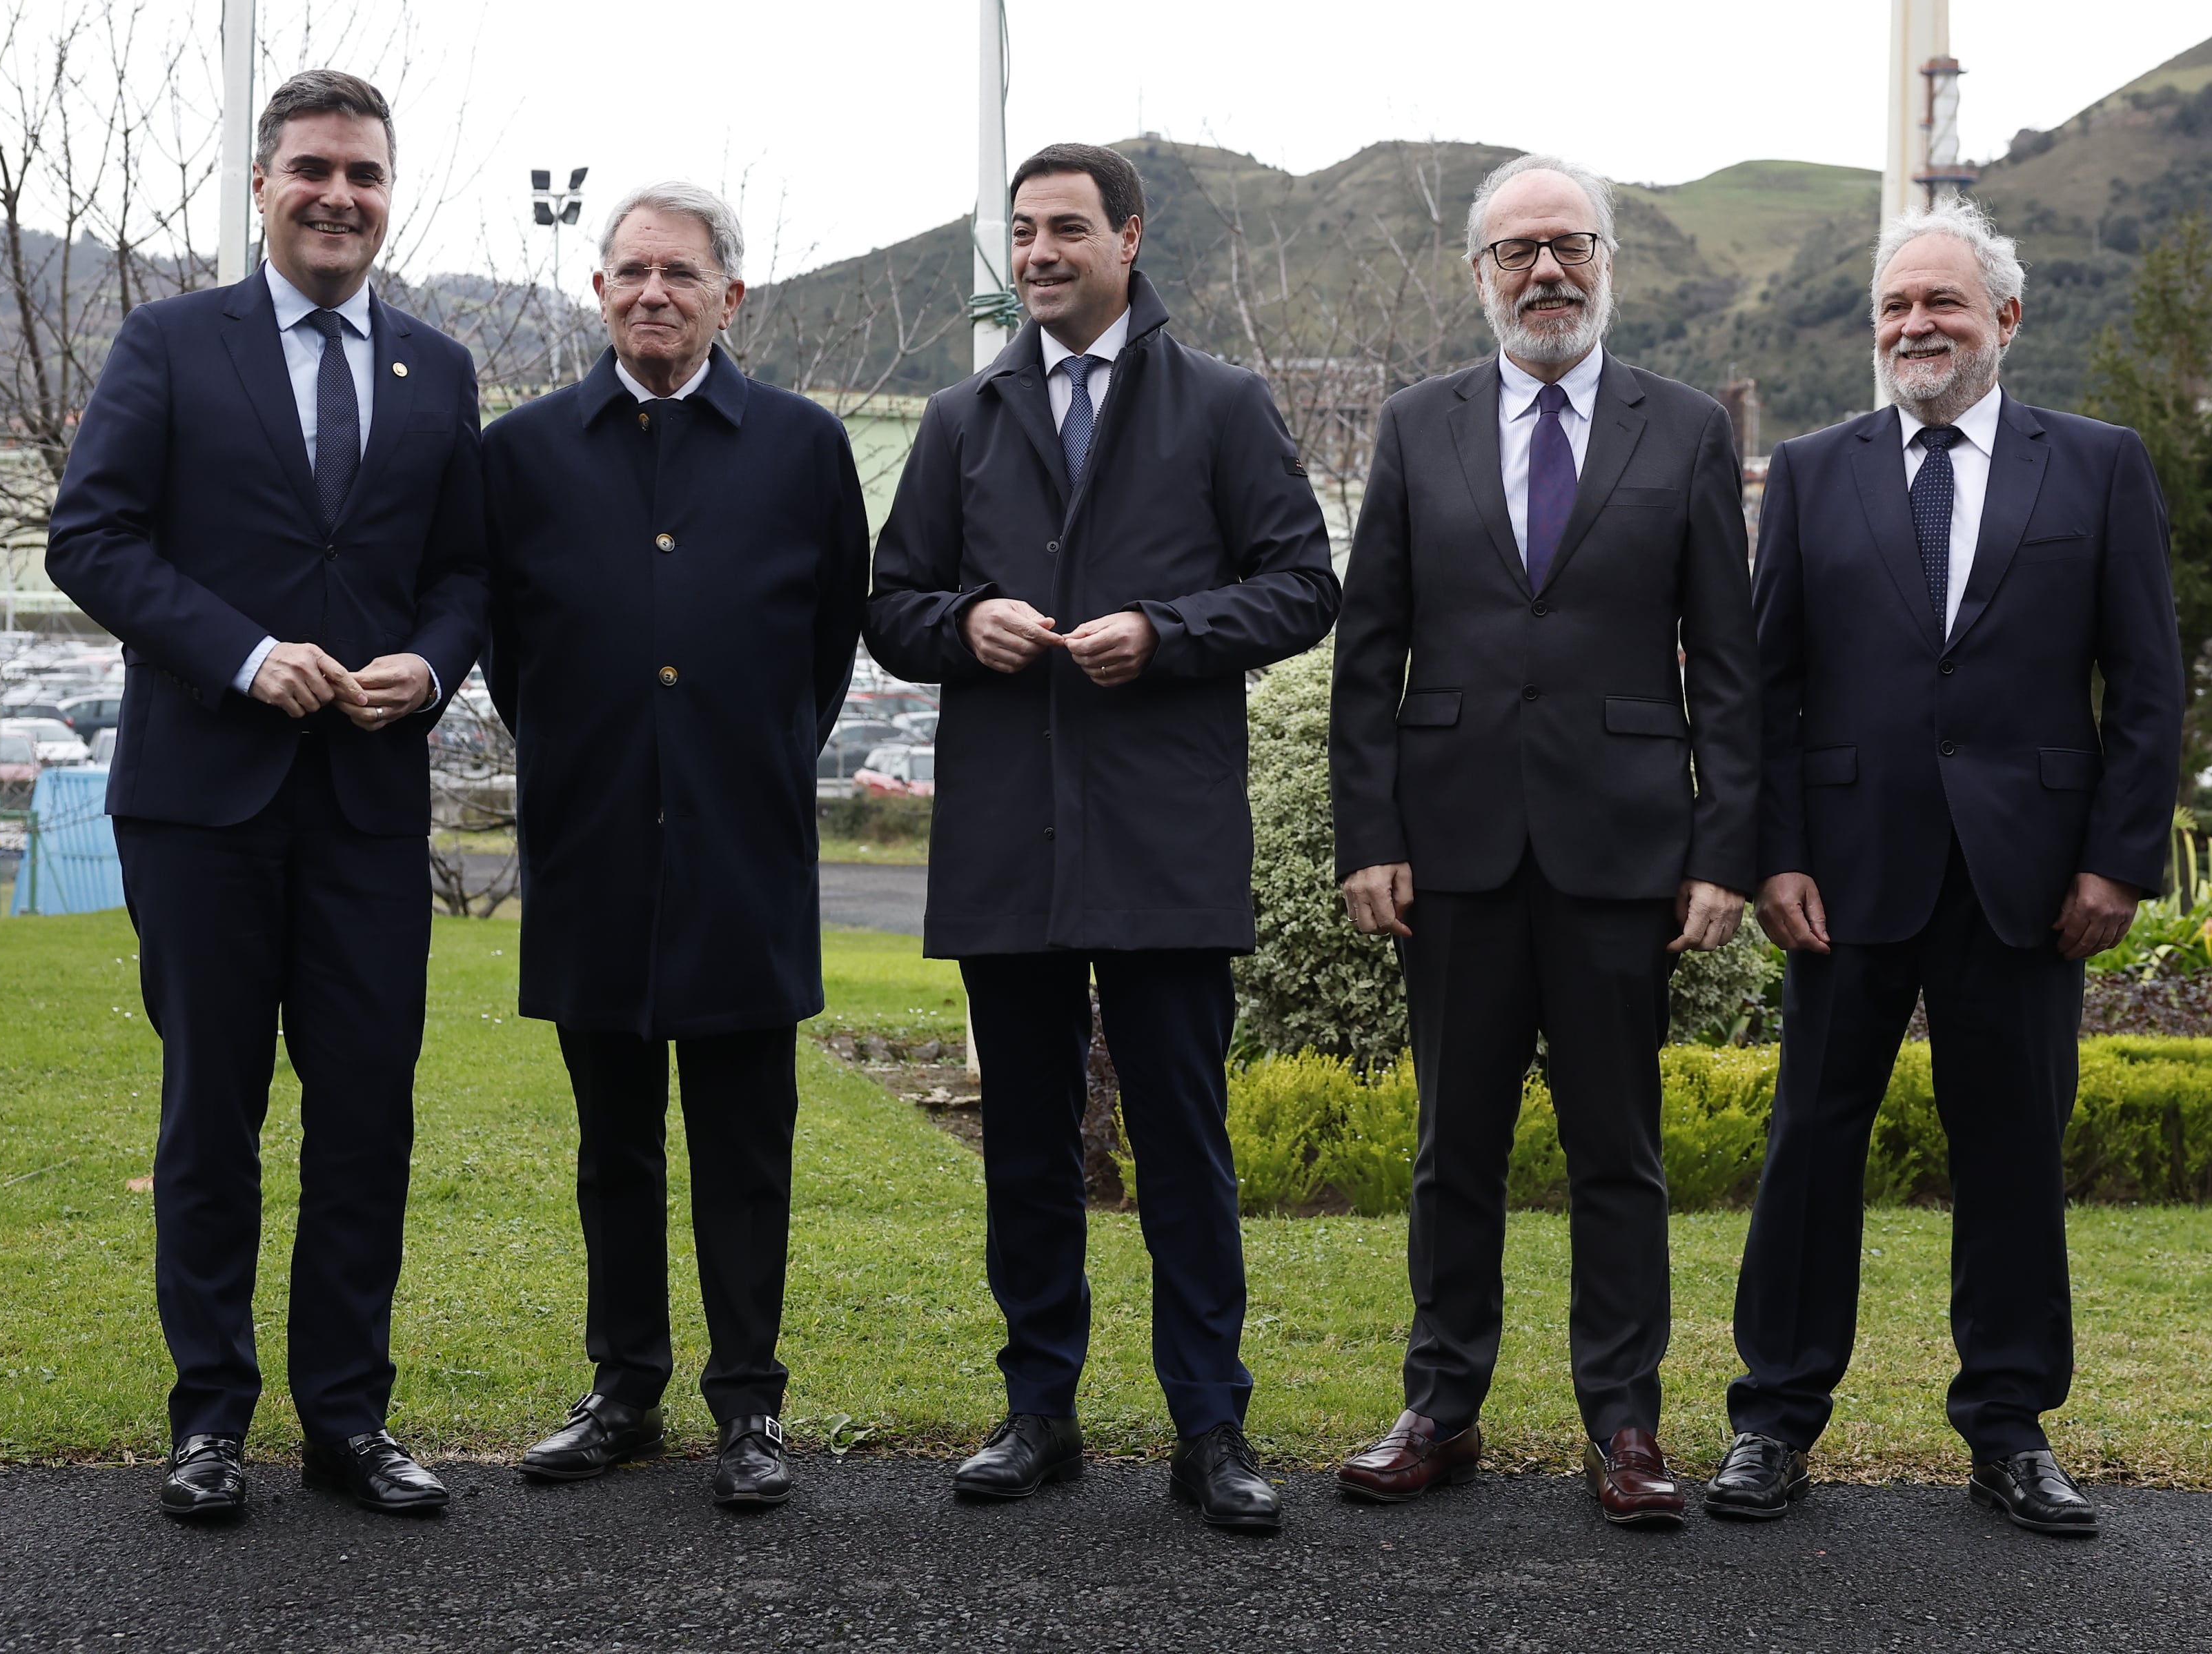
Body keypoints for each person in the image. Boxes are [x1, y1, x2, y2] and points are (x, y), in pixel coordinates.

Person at [865, 142, 1338, 1535]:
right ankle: (1040, 1410)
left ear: (1130, 238)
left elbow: (1304, 583)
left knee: (1183, 1142)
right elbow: (890, 602)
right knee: (1026, 1141)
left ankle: (1212, 1423)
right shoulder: (962, 415)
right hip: (1009, 840)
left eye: (1066, 227)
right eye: (1021, 232)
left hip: (1165, 838)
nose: (1038, 252)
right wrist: (963, 623)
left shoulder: (1223, 405)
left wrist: (1169, 631)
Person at [46, 69, 489, 1521]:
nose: (337, 195)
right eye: (312, 169)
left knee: (367, 1117)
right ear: (260, 185)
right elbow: (92, 538)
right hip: (200, 805)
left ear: (388, 191)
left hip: (366, 803)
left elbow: (463, 574)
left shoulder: (440, 368)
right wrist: (242, 654)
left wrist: (427, 667)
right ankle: (209, 1419)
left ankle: (347, 1421)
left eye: (363, 173)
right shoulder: (170, 343)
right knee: (211, 1115)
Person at [1708, 201, 2182, 1538]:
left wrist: (2116, 860)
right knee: (1810, 1142)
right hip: (1843, 873)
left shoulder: (2096, 466)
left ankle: (2010, 1427)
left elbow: (2145, 683)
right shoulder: (1810, 468)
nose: (1916, 326)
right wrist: (1772, 854)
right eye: (1896, 308)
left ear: (2004, 320)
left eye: (1943, 305)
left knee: (2015, 1151)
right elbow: (1769, 683)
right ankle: (1773, 1419)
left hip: (2030, 880)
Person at [1324, 152, 1757, 1530]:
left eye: (1568, 245)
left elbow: (1729, 667)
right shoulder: (1416, 423)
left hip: (1622, 847)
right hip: (1449, 847)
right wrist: (1368, 832)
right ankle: (1439, 1405)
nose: (1545, 273)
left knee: (1616, 1150)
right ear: (1479, 275)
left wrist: (1721, 847)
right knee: (1453, 1143)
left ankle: (1623, 1420)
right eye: (1517, 253)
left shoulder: (1682, 428)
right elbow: (1369, 652)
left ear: (1607, 260)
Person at [476, 181, 869, 1511]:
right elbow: (512, 661)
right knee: (615, 1143)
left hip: (744, 849)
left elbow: (825, 650)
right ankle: (626, 1386)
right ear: (597, 290)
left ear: (730, 297)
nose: (655, 292)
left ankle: (748, 1403)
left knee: (749, 1141)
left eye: (682, 274)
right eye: (631, 270)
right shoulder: (522, 453)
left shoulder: (807, 449)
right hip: (591, 852)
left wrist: (735, 759)